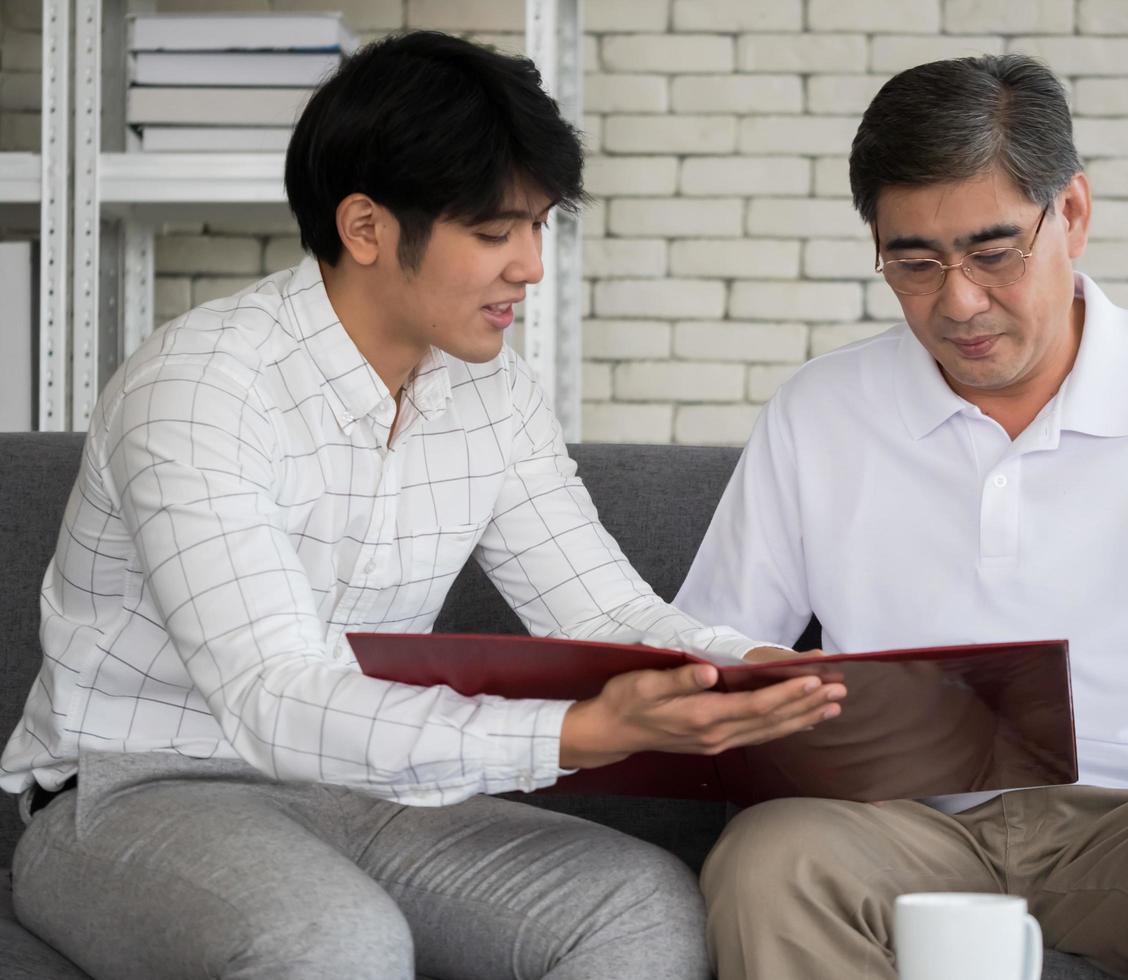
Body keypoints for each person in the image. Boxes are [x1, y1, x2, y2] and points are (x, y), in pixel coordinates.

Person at [1, 32, 845, 980]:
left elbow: (604, 611)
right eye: (494, 233)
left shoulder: (496, 394)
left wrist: (759, 670)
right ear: (365, 228)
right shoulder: (203, 385)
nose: (529, 264)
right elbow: (274, 697)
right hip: (140, 791)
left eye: (539, 225)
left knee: (639, 904)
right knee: (335, 940)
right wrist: (576, 734)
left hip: (374, 791)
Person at [676, 53, 1128, 980]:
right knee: (767, 860)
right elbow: (709, 642)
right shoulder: (817, 411)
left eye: (992, 253)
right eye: (913, 263)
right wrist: (781, 687)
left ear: (1070, 213)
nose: (959, 303)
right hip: (892, 826)